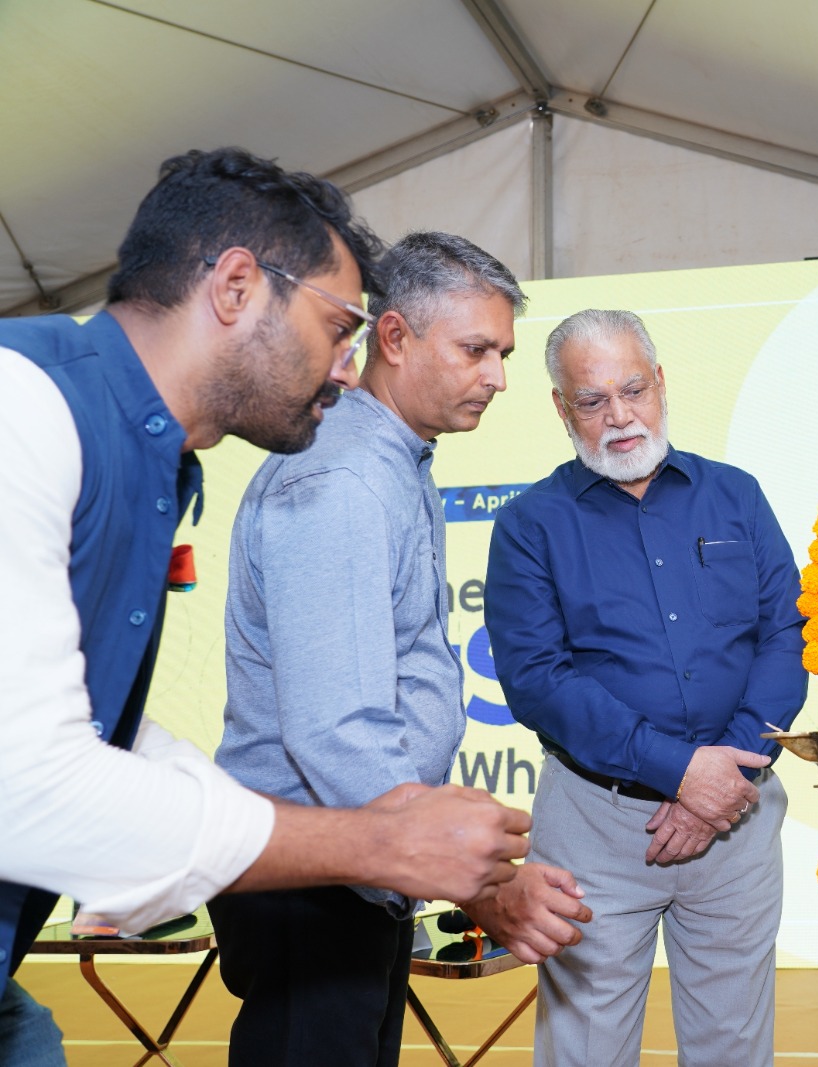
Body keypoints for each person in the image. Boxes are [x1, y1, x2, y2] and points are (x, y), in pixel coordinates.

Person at [0, 149, 532, 1066]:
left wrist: (400, 843)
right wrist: (383, 842)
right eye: (338, 328)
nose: (346, 370)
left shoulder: (150, 456)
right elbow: (33, 779)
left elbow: (91, 728)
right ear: (237, 287)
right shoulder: (26, 410)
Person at [208, 231, 589, 1067]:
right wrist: (477, 876)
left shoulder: (390, 461)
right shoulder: (343, 479)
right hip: (313, 881)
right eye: (476, 350)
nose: (497, 377)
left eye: (503, 354)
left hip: (352, 871)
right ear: (393, 337)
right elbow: (338, 728)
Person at [483, 308, 807, 1067]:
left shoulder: (737, 496)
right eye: (592, 400)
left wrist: (722, 773)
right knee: (584, 1051)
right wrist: (681, 772)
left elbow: (786, 635)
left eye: (633, 390)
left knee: (734, 1050)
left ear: (660, 382)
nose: (620, 416)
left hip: (738, 814)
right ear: (561, 408)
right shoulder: (529, 525)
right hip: (594, 825)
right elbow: (538, 681)